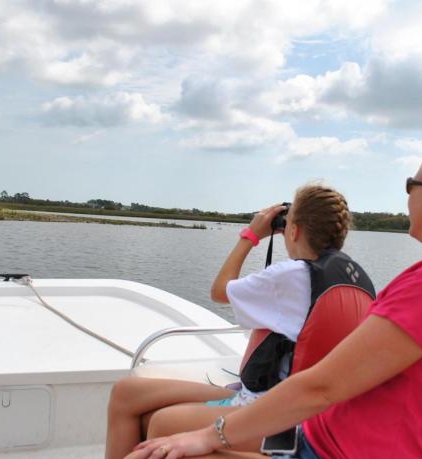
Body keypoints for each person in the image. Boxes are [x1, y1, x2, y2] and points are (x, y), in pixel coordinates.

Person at [126, 142, 422, 459]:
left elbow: (322, 387)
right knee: (168, 433)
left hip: (338, 448)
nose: (409, 197)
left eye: (409, 185)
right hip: (325, 436)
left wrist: (211, 436)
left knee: (165, 443)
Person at [105, 184, 375, 459]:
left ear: (293, 230)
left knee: (162, 422)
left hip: (273, 417)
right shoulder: (357, 280)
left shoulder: (291, 275)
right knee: (128, 392)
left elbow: (220, 290)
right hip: (293, 412)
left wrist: (251, 235)